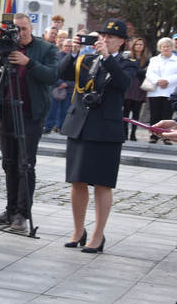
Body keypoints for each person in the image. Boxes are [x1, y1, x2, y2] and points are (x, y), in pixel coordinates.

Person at [57, 20, 135, 253]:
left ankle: (98, 235)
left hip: (105, 131)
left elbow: (123, 84)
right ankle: (78, 230)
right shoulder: (87, 59)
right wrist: (74, 52)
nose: (105, 39)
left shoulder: (125, 63)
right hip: (80, 124)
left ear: (121, 41)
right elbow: (63, 72)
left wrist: (108, 58)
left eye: (111, 36)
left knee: (102, 184)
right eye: (102, 35)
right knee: (77, 181)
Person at [0, 14, 58, 233]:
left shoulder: (45, 49)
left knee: (25, 164)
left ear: (31, 29)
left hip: (30, 113)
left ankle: (23, 214)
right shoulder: (4, 45)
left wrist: (29, 63)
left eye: (24, 29)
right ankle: (10, 209)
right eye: (16, 29)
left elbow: (52, 75)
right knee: (9, 162)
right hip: (6, 110)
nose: (20, 33)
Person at [144, 37, 177, 144]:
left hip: (170, 90)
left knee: (167, 114)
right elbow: (149, 73)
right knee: (155, 114)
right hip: (156, 91)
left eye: (168, 46)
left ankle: (167, 136)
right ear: (160, 48)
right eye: (164, 46)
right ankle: (154, 135)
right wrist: (158, 81)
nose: (166, 48)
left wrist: (167, 81)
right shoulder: (154, 60)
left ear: (172, 47)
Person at [123, 36, 150, 141]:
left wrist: (139, 71)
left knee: (136, 111)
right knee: (125, 111)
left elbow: (146, 73)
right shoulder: (128, 57)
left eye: (141, 44)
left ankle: (133, 134)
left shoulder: (146, 59)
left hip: (140, 87)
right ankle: (124, 133)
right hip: (129, 87)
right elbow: (132, 71)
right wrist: (141, 70)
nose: (139, 46)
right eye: (137, 44)